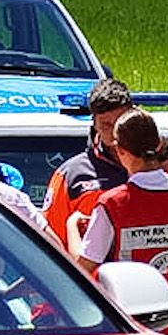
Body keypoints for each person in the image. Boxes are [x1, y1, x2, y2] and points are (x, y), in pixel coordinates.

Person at [76, 110, 168, 335]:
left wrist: (72, 227)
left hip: (137, 330)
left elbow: (83, 268)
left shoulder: (113, 204)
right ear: (158, 144)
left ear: (120, 150)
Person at [44, 76, 135, 245]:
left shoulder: (159, 167)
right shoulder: (71, 175)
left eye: (120, 122)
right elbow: (53, 242)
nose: (114, 132)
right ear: (94, 123)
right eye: (106, 124)